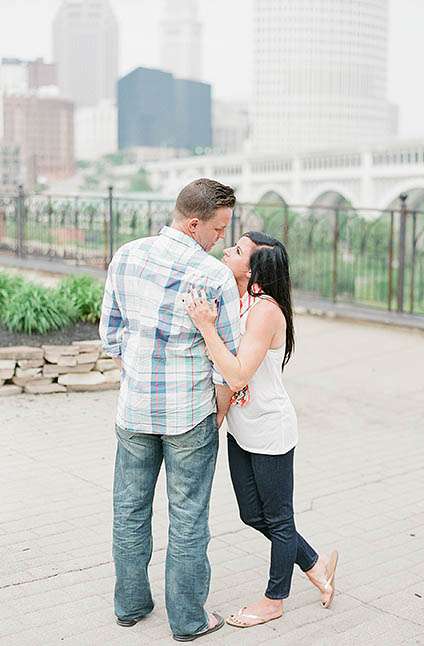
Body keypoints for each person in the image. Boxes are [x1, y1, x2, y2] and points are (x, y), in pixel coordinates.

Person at [101, 178, 239, 642]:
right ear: (195, 223)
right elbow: (230, 364)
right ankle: (187, 621)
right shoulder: (215, 276)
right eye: (219, 229)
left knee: (129, 510)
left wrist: (138, 372)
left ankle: (130, 606)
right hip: (189, 414)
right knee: (188, 517)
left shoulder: (127, 255)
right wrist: (217, 413)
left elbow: (111, 332)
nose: (221, 238)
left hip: (135, 409)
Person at [183, 231, 340, 629]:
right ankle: (316, 565)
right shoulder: (237, 300)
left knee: (279, 519)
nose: (225, 250)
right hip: (242, 428)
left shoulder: (265, 311)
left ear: (252, 269)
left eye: (235, 250)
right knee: (252, 514)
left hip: (270, 429)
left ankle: (274, 600)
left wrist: (206, 328)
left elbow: (236, 373)